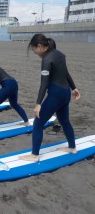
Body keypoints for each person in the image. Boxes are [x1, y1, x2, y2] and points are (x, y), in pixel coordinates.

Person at [20, 34, 81, 162]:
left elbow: (44, 83)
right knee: (64, 121)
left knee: (38, 123)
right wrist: (74, 88)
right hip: (65, 93)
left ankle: (34, 155)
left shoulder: (46, 60)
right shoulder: (60, 54)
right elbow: (66, 73)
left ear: (40, 46)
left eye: (34, 49)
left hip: (56, 95)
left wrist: (38, 104)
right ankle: (72, 147)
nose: (35, 52)